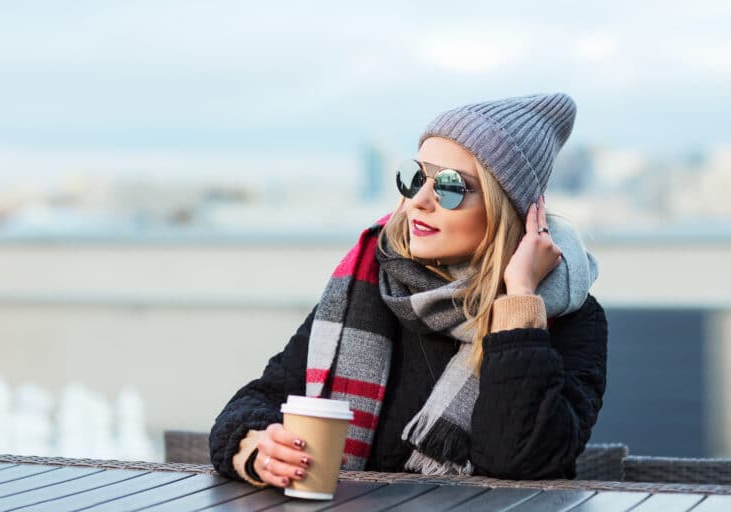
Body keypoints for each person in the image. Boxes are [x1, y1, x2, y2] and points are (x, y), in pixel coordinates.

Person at [209, 92, 607, 488]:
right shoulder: (370, 288)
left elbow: (519, 460)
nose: (419, 200)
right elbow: (255, 402)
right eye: (415, 177)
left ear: (507, 212)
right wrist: (259, 450)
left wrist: (520, 299)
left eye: (450, 187)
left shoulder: (567, 317)